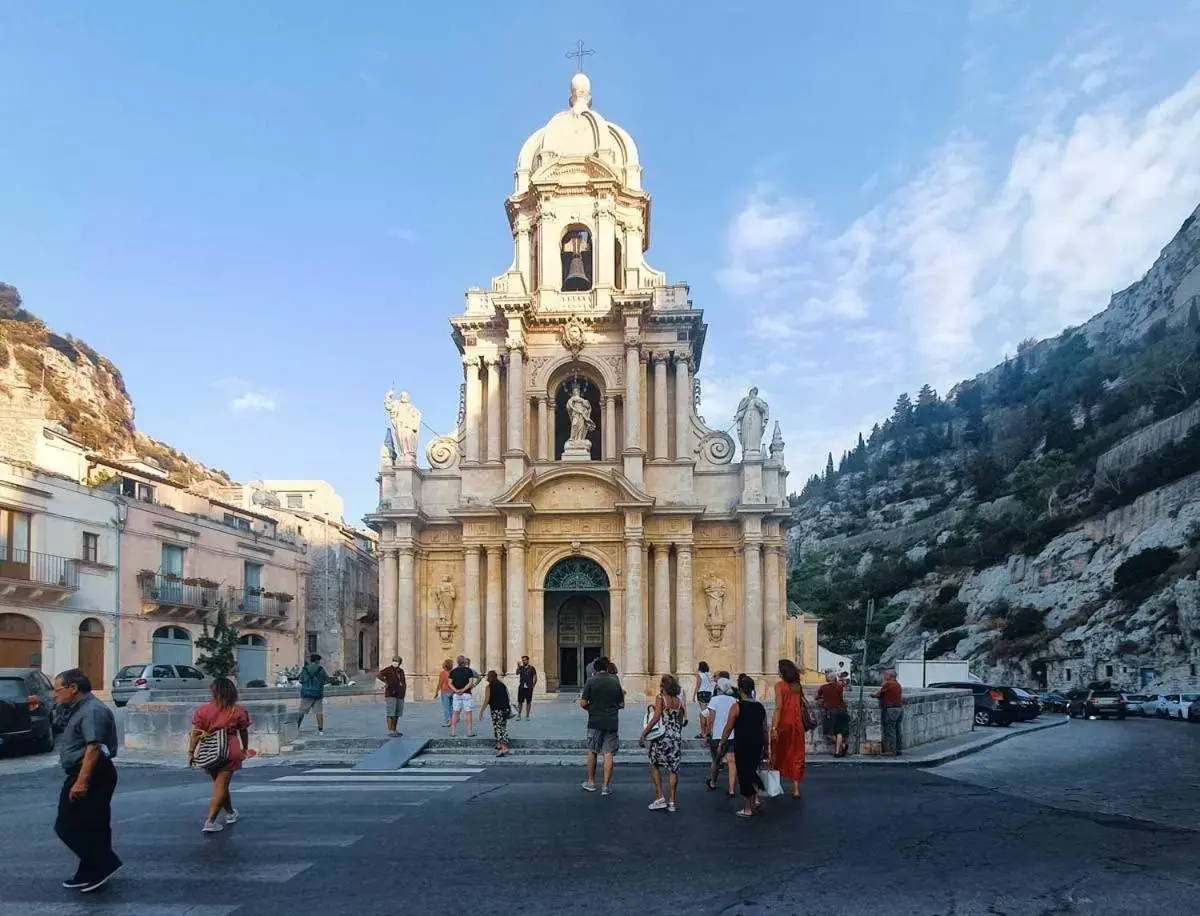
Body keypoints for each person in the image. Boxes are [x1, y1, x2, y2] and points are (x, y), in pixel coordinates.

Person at [52, 668, 121, 893]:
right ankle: (89, 871)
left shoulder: (92, 710)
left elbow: (94, 747)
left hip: (92, 772)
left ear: (73, 688)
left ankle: (105, 864)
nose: (55, 695)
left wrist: (82, 781)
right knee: (92, 825)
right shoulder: (76, 708)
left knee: (67, 825)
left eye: (57, 690)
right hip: (86, 771)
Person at [188, 677, 255, 834]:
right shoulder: (238, 711)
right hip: (229, 749)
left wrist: (191, 752)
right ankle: (210, 821)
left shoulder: (202, 711)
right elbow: (243, 731)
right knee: (221, 786)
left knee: (219, 784)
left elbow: (196, 734)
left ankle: (230, 813)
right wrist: (245, 748)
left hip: (209, 750)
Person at [718, 674, 769, 818]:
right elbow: (765, 729)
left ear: (740, 690)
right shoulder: (760, 707)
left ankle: (747, 807)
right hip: (757, 742)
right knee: (752, 770)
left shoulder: (737, 706)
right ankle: (755, 798)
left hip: (742, 743)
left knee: (744, 774)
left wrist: (722, 742)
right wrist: (767, 747)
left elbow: (728, 727)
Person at [639, 674, 685, 813]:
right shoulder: (679, 701)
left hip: (662, 737)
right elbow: (681, 720)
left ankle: (659, 797)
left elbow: (656, 717)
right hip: (675, 737)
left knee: (654, 764)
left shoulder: (661, 699)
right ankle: (672, 801)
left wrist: (644, 734)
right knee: (673, 769)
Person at [579, 655, 624, 796]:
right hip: (611, 721)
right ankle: (605, 786)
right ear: (606, 668)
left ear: (595, 669)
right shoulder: (615, 682)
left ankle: (591, 782)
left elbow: (583, 703)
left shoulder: (591, 681)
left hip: (595, 720)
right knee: (608, 752)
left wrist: (592, 709)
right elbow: (621, 703)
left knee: (592, 750)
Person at [771, 659, 810, 798]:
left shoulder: (780, 685)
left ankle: (774, 785)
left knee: (778, 753)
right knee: (797, 754)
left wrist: (774, 727)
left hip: (783, 723)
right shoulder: (797, 686)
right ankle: (796, 789)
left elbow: (779, 707)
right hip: (797, 724)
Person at [705, 673, 738, 796]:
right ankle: (731, 789)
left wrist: (707, 733)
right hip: (731, 734)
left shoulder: (714, 700)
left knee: (716, 760)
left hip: (717, 734)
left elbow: (710, 719)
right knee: (731, 761)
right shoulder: (734, 700)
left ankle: (713, 782)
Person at [478, 670, 512, 756]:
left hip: (496, 710)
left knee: (498, 728)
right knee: (503, 726)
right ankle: (499, 744)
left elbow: (487, 700)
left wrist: (481, 711)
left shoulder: (489, 687)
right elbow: (508, 696)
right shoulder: (502, 685)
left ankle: (504, 748)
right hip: (505, 709)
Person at [817, 670, 850, 757]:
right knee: (839, 732)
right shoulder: (839, 687)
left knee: (829, 733)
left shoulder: (823, 687)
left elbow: (817, 697)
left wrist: (821, 697)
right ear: (835, 678)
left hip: (831, 711)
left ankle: (842, 747)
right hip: (842, 710)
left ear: (827, 679)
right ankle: (838, 751)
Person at [874, 669, 904, 756]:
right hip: (899, 709)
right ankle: (899, 749)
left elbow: (878, 694)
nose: (884, 676)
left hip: (891, 710)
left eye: (885, 675)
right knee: (897, 730)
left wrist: (874, 695)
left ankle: (891, 750)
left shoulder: (889, 684)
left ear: (890, 676)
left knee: (890, 730)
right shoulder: (898, 684)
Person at [296, 653, 328, 735]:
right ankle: (320, 730)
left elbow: (300, 680)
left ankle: (296, 727)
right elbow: (325, 679)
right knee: (319, 712)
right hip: (318, 693)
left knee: (301, 711)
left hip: (306, 692)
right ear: (317, 660)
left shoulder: (305, 668)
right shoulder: (320, 669)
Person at [377, 656, 408, 737]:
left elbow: (402, 680)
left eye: (397, 661)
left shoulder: (401, 671)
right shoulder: (388, 669)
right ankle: (390, 730)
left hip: (400, 694)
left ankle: (395, 729)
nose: (395, 662)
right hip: (391, 694)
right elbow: (379, 675)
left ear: (400, 663)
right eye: (394, 660)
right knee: (391, 712)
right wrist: (386, 682)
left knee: (397, 713)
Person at [448, 654, 477, 737]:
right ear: (464, 662)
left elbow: (449, 683)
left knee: (455, 713)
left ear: (457, 662)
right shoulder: (469, 671)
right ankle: (469, 732)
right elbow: (470, 682)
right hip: (467, 694)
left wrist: (456, 690)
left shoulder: (453, 671)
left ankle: (453, 732)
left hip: (456, 695)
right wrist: (463, 690)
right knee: (468, 713)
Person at [694, 661, 716, 739]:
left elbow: (698, 685)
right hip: (708, 693)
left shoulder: (699, 675)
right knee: (707, 713)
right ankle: (708, 731)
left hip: (701, 693)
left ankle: (704, 732)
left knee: (703, 713)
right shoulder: (709, 674)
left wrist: (694, 695)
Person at [435, 658, 454, 727]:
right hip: (452, 692)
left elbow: (440, 683)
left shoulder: (443, 673)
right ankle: (452, 721)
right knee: (451, 707)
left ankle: (448, 721)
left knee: (446, 707)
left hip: (445, 692)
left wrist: (436, 692)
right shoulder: (453, 672)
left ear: (445, 665)